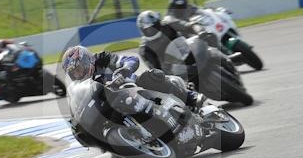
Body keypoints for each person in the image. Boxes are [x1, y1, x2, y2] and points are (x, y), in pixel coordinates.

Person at [62, 45, 205, 110]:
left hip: (134, 87)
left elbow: (130, 58)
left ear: (87, 60)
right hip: (115, 106)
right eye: (74, 73)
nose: (78, 74)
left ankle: (190, 96)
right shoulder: (81, 87)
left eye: (79, 69)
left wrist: (125, 69)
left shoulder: (102, 59)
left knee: (151, 77)